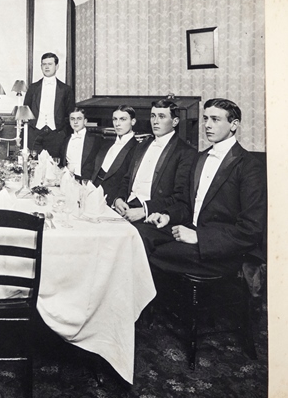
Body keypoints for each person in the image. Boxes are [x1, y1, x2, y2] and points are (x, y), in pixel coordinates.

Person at [137, 98, 266, 278]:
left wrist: (200, 237)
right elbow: (186, 204)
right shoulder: (201, 158)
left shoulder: (249, 166)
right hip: (189, 229)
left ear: (234, 124)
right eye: (205, 119)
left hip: (220, 246)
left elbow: (251, 229)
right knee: (138, 235)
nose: (207, 125)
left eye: (215, 119)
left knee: (154, 256)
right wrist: (167, 215)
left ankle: (157, 306)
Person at [113, 98, 196, 223]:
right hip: (126, 208)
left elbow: (179, 198)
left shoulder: (185, 152)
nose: (155, 121)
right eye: (153, 116)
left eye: (161, 116)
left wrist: (145, 210)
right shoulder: (142, 145)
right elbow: (127, 179)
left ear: (175, 121)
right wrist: (119, 199)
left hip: (153, 215)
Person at [24, 52, 76, 158]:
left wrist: (62, 133)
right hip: (35, 133)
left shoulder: (66, 89)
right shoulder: (33, 88)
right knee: (33, 166)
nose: (47, 67)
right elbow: (26, 110)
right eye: (44, 64)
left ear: (56, 66)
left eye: (50, 64)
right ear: (41, 66)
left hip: (56, 135)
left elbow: (70, 113)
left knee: (55, 168)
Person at [91, 105, 139, 202]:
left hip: (112, 200)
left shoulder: (137, 148)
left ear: (133, 122)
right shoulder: (106, 142)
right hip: (92, 193)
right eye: (115, 119)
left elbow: (128, 183)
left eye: (123, 119)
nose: (117, 124)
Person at [59, 109, 101, 181]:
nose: (75, 122)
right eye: (72, 119)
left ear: (85, 121)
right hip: (67, 181)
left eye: (79, 119)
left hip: (86, 182)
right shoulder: (66, 140)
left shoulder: (96, 140)